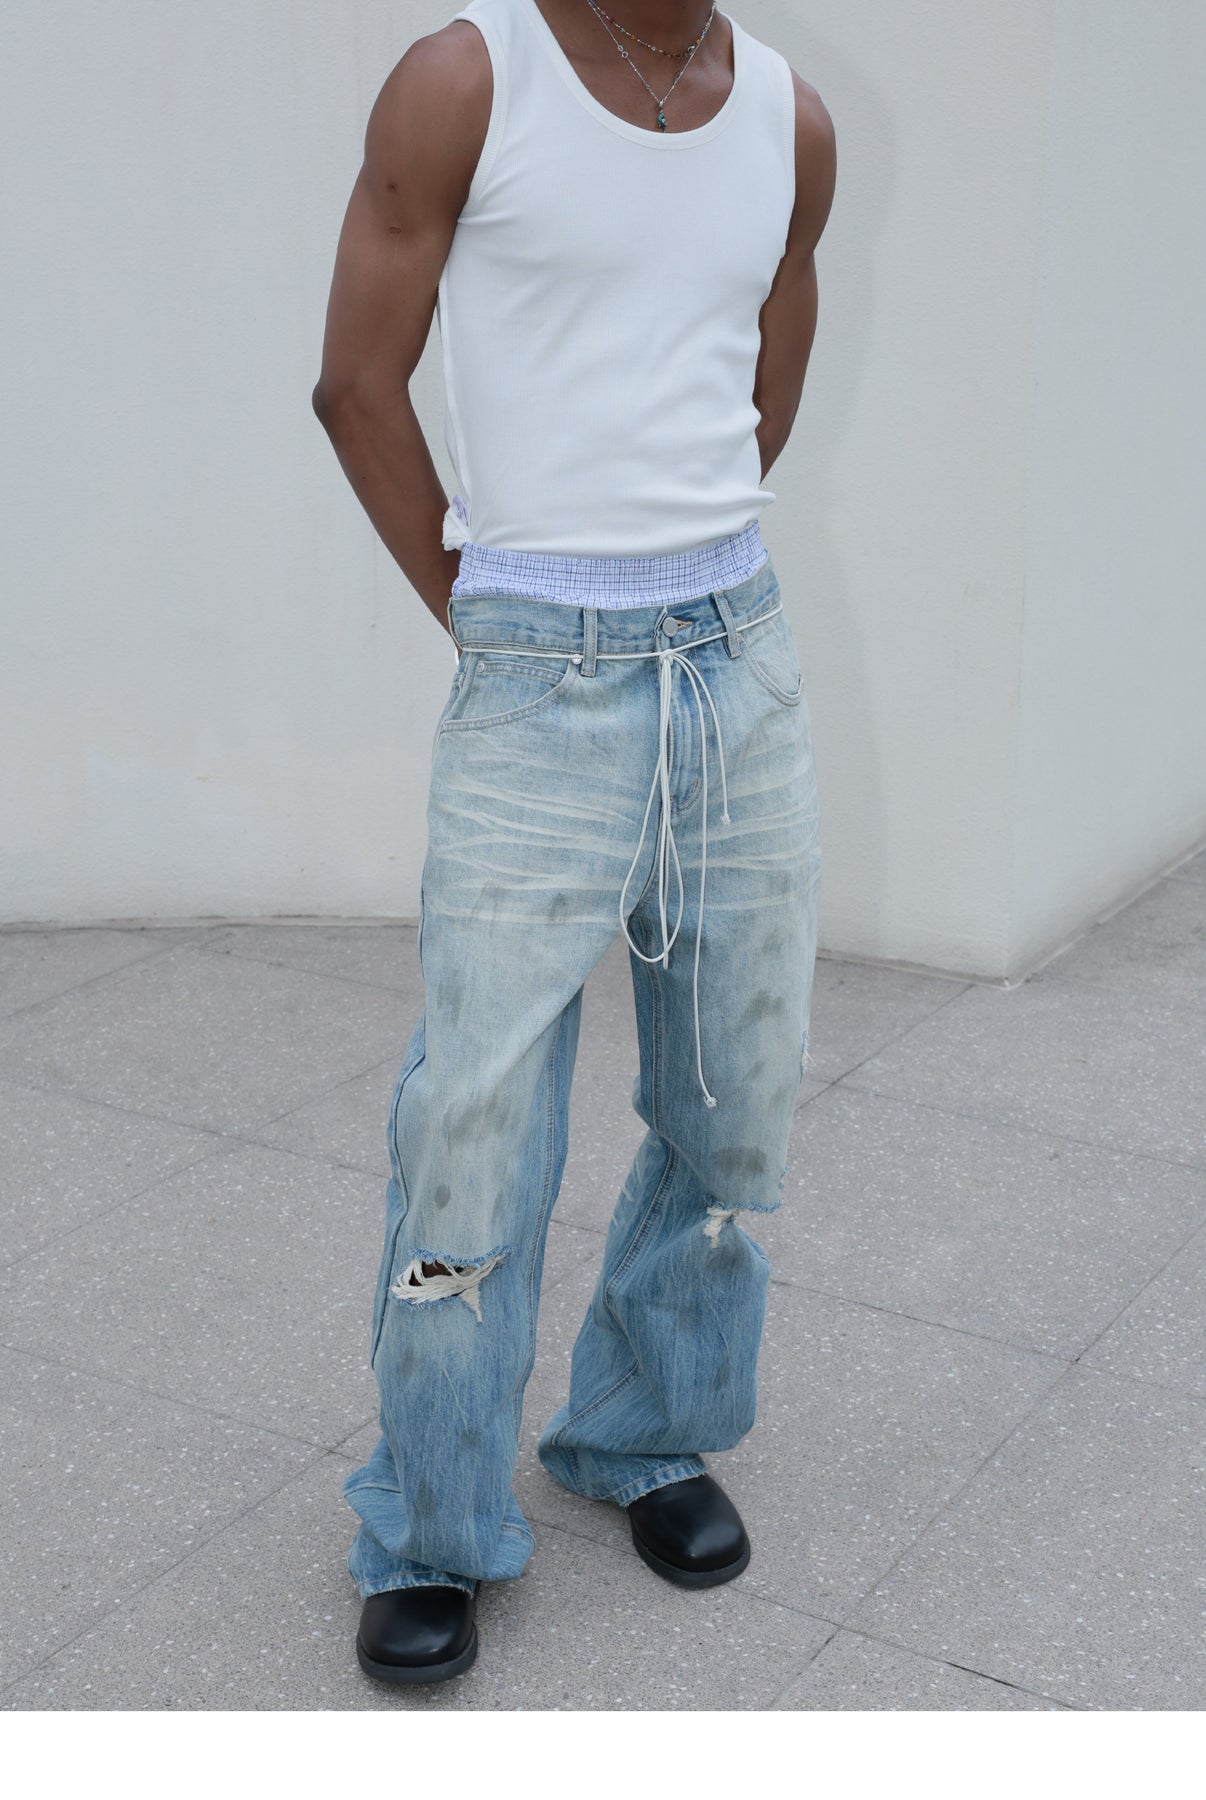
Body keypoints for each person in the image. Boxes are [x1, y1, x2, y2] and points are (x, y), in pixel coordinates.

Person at [312, 0, 835, 1685]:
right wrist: (501, 618)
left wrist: (670, 568)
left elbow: (759, 388)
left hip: (735, 658)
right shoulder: (471, 77)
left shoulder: (788, 118)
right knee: (472, 1127)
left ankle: (638, 1432)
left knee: (734, 1098)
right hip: (539, 666)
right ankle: (432, 1526)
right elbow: (353, 384)